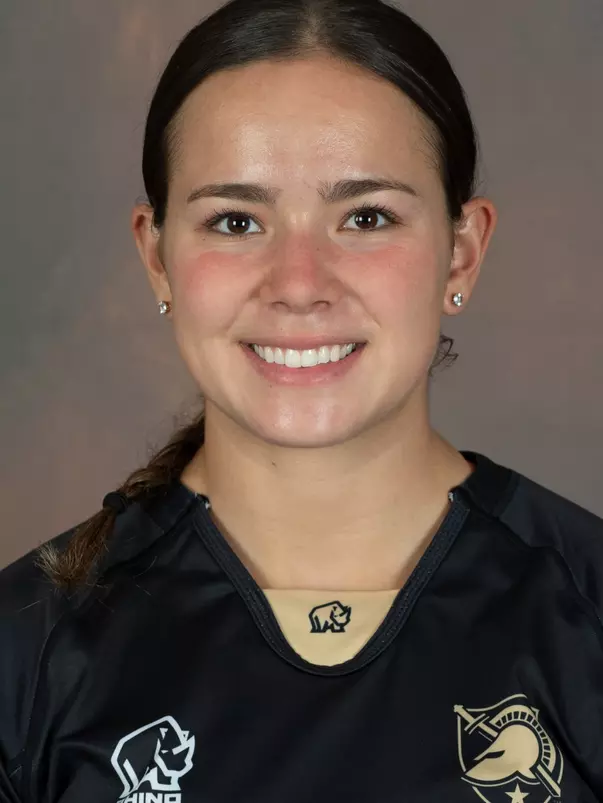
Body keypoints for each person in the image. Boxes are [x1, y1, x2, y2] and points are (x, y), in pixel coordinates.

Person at [1, 0, 602, 800]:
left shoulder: (583, 610)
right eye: (236, 220)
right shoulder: (27, 648)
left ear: (460, 254)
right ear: (156, 257)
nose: (298, 285)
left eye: (365, 216)